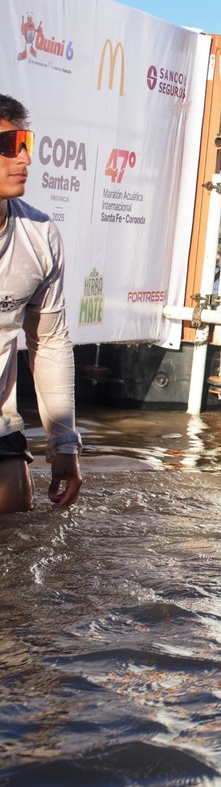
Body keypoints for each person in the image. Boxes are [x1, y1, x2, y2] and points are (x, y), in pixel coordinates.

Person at [0, 94, 82, 512]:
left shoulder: (39, 233)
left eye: (26, 142)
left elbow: (48, 342)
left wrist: (63, 443)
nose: (25, 158)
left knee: (18, 511)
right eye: (8, 145)